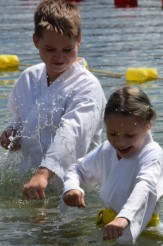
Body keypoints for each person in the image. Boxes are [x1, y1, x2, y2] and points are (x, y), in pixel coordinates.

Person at [0, 0, 106, 200]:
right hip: (31, 181)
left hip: (75, 189)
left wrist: (44, 172)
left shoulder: (87, 87)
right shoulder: (29, 78)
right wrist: (12, 133)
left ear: (79, 40)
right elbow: (21, 118)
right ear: (35, 41)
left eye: (67, 49)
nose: (59, 57)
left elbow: (72, 132)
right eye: (50, 49)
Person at [61, 86, 163, 244]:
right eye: (112, 133)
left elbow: (145, 187)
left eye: (130, 135)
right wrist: (72, 187)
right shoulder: (107, 149)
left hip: (142, 230)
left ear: (147, 126)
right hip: (109, 226)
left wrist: (124, 218)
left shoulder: (152, 154)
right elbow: (77, 169)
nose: (120, 141)